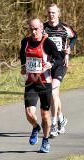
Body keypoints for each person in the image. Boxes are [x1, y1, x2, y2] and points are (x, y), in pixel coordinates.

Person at [19, 18, 63, 153]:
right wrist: (23, 66)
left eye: (36, 29)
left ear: (41, 29)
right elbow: (22, 55)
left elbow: (59, 58)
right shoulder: (25, 42)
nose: (33, 32)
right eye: (31, 29)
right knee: (29, 113)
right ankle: (35, 127)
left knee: (45, 115)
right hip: (31, 82)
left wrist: (52, 64)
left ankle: (45, 140)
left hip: (45, 83)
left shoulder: (48, 43)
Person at [44, 3, 77, 138]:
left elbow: (74, 36)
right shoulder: (43, 27)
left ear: (58, 14)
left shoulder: (65, 28)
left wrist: (69, 50)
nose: (51, 15)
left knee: (53, 92)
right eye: (49, 12)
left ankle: (54, 124)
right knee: (54, 95)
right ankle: (61, 118)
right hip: (47, 65)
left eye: (54, 12)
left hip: (60, 64)